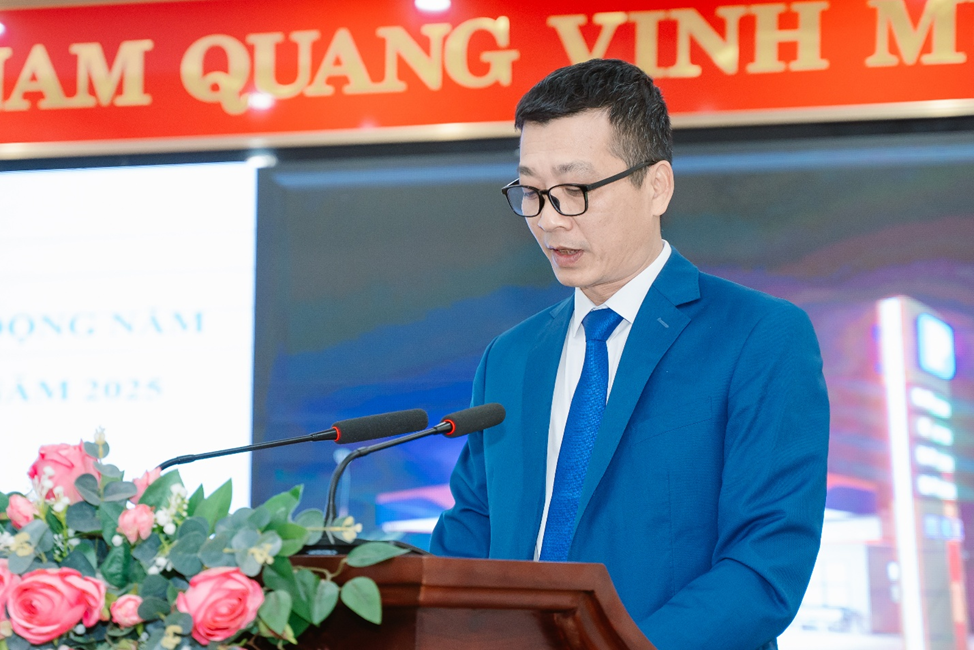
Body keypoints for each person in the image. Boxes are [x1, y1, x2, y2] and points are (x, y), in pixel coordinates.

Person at [429, 58, 829, 650]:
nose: (548, 220)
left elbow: (764, 566)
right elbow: (470, 535)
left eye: (575, 191)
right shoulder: (509, 358)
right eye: (532, 192)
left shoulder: (759, 336)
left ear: (657, 186)